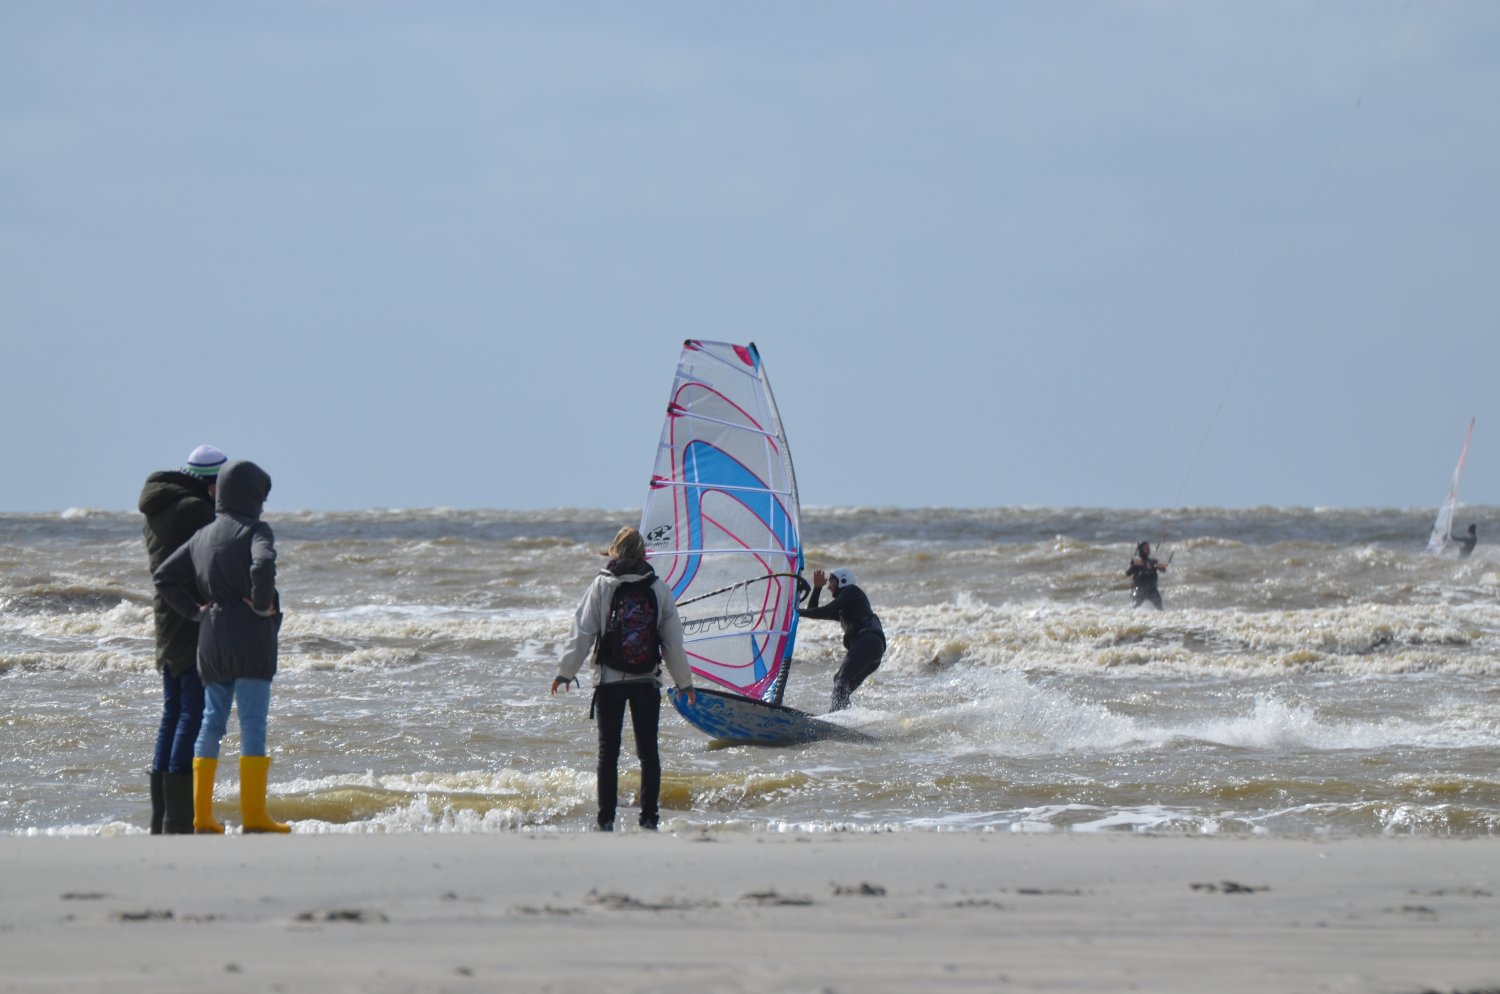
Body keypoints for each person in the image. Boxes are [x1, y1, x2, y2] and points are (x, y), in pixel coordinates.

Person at [154, 460, 289, 834]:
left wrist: (195, 612)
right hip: (250, 643)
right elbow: (262, 565)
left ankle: (201, 817)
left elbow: (164, 577)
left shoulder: (202, 536)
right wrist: (262, 606)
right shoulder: (255, 529)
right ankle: (254, 817)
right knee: (252, 725)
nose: (262, 504)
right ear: (250, 494)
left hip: (210, 641)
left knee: (210, 724)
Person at [553, 526, 695, 832]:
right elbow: (672, 643)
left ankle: (605, 820)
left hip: (608, 680)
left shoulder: (601, 585)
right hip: (647, 680)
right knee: (649, 753)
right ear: (644, 554)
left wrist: (565, 672)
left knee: (609, 752)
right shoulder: (658, 587)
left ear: (614, 551)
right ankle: (649, 819)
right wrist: (685, 683)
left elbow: (582, 633)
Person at [138, 444, 226, 834]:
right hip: (190, 616)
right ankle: (178, 818)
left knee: (173, 712)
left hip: (166, 615)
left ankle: (162, 817)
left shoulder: (159, 505)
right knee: (190, 712)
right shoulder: (193, 510)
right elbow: (218, 552)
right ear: (211, 483)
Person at [797, 566, 885, 712]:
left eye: (831, 582)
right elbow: (816, 612)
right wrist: (817, 588)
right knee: (843, 688)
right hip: (874, 650)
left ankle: (834, 717)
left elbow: (824, 610)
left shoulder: (851, 591)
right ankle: (842, 720)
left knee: (840, 679)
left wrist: (796, 612)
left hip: (868, 642)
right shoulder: (847, 608)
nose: (829, 587)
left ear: (842, 580)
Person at [1127, 541, 1167, 609]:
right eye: (1146, 548)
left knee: (1160, 608)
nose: (1148, 549)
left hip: (1152, 589)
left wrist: (1158, 566)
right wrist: (1135, 566)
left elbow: (1163, 570)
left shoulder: (1153, 561)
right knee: (1134, 608)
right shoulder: (1136, 561)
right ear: (1141, 549)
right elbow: (1128, 573)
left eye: (1148, 547)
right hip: (1139, 589)